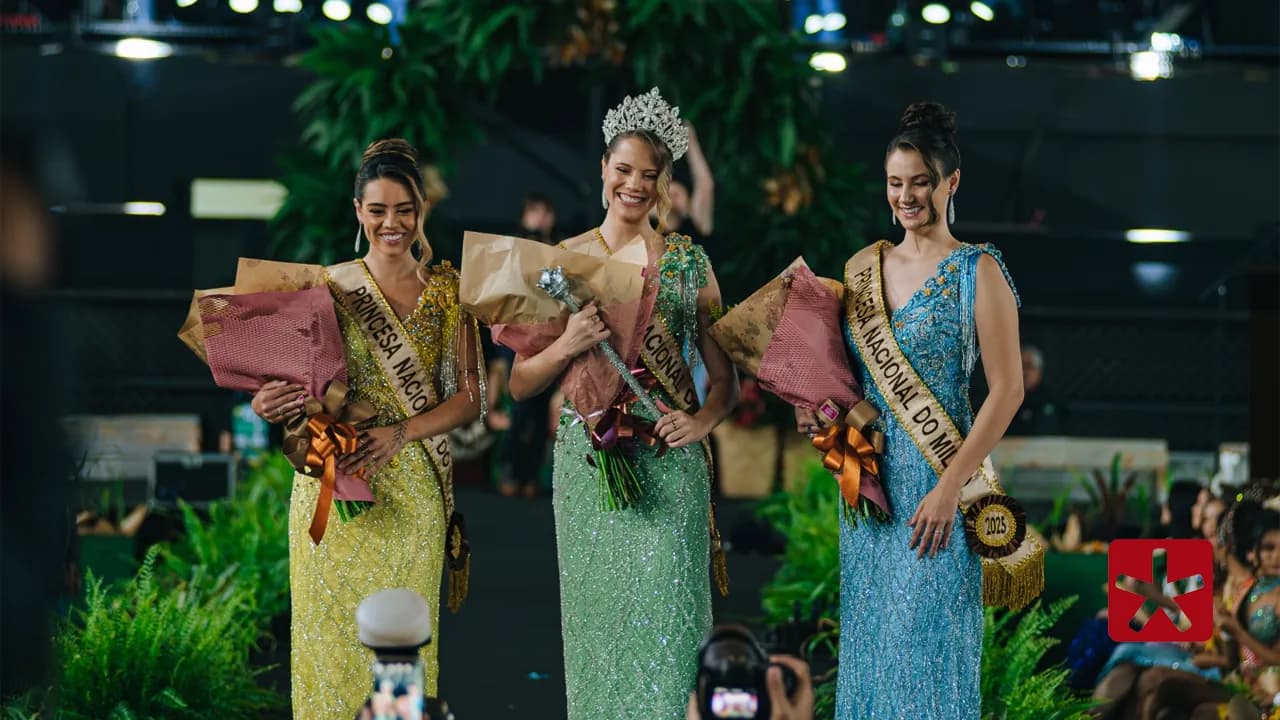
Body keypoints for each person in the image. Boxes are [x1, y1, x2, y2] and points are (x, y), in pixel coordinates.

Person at [507, 87, 739, 719]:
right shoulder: (563, 263)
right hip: (588, 467)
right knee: (598, 633)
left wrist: (700, 419)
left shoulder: (689, 264)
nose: (634, 184)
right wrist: (569, 345)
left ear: (665, 183)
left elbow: (726, 383)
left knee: (672, 626)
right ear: (603, 172)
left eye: (650, 174)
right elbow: (520, 384)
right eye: (624, 170)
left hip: (668, 463)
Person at [795, 102, 1025, 718]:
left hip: (940, 488)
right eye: (895, 183)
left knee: (931, 651)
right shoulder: (861, 269)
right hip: (869, 486)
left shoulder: (978, 271)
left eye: (920, 182)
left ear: (951, 182)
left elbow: (1007, 390)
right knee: (874, 653)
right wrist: (820, 414)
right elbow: (848, 383)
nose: (906, 196)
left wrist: (951, 487)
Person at [251, 139, 484, 719]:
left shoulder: (450, 293)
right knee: (327, 646)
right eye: (378, 210)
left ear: (423, 208)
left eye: (404, 209)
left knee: (404, 651)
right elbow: (295, 384)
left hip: (412, 494)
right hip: (334, 482)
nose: (392, 223)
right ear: (358, 211)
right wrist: (269, 401)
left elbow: (471, 398)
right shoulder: (325, 287)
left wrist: (402, 433)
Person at [1006, 344, 1064, 435]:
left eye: (1029, 366)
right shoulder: (1006, 399)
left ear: (1039, 370)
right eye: (1021, 366)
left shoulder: (1051, 398)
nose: (1024, 372)